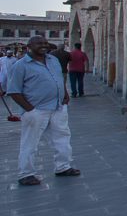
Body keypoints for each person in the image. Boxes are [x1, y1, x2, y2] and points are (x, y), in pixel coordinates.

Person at [6, 36, 81, 186]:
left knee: (62, 138)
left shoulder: (52, 60)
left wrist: (65, 94)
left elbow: (59, 78)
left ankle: (63, 167)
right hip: (37, 109)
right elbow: (13, 91)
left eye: (45, 43)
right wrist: (30, 109)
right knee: (30, 142)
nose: (43, 45)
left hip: (57, 107)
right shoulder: (20, 66)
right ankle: (26, 174)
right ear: (29, 46)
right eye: (39, 43)